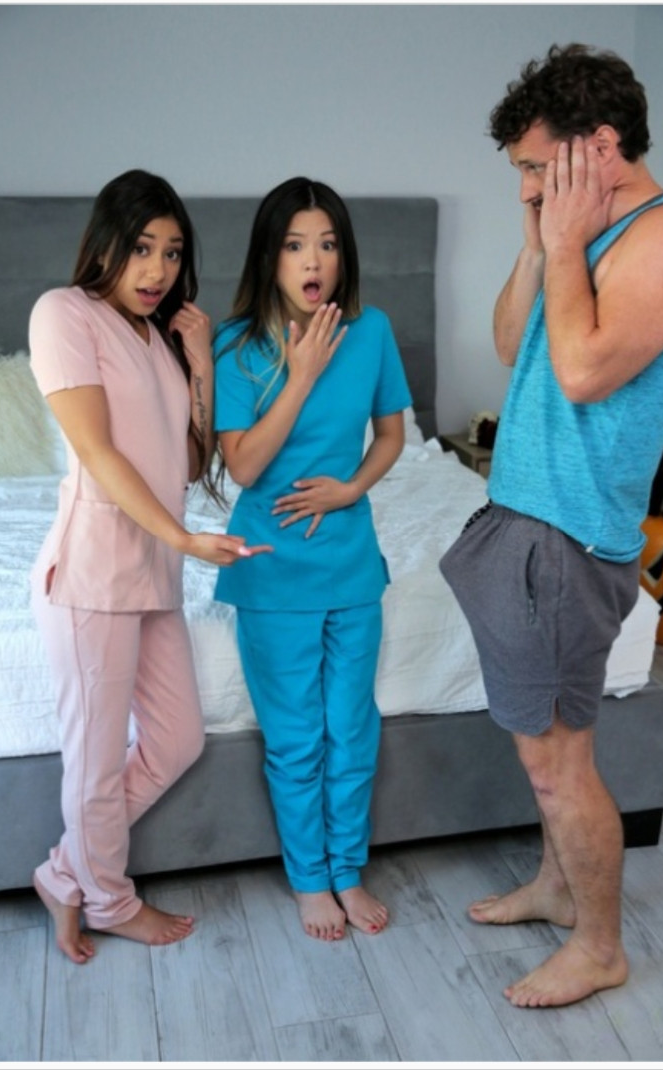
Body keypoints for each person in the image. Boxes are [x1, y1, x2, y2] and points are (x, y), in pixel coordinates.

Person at [440, 44, 663, 1008]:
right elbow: (513, 345)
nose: (526, 187)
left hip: (569, 538)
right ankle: (556, 888)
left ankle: (600, 946)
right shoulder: (577, 234)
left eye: (536, 167)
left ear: (603, 146)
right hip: (527, 522)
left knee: (560, 767)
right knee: (543, 748)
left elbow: (582, 373)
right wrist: (543, 236)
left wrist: (565, 239)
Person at [29, 169, 271, 965]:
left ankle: (64, 873)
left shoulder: (155, 337)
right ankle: (109, 899)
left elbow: (191, 461)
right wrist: (187, 538)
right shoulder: (64, 314)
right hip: (93, 575)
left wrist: (200, 363)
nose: (158, 269)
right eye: (142, 248)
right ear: (107, 241)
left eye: (171, 252)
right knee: (95, 761)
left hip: (152, 572)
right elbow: (99, 453)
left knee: (177, 740)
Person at [212, 177, 412, 941]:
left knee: (351, 730)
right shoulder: (237, 345)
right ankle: (308, 879)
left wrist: (351, 487)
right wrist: (299, 377)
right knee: (297, 737)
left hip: (351, 563)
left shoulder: (372, 330)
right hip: (270, 570)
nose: (313, 260)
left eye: (328, 244)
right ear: (270, 256)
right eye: (295, 245)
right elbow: (243, 467)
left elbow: (391, 435)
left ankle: (347, 870)